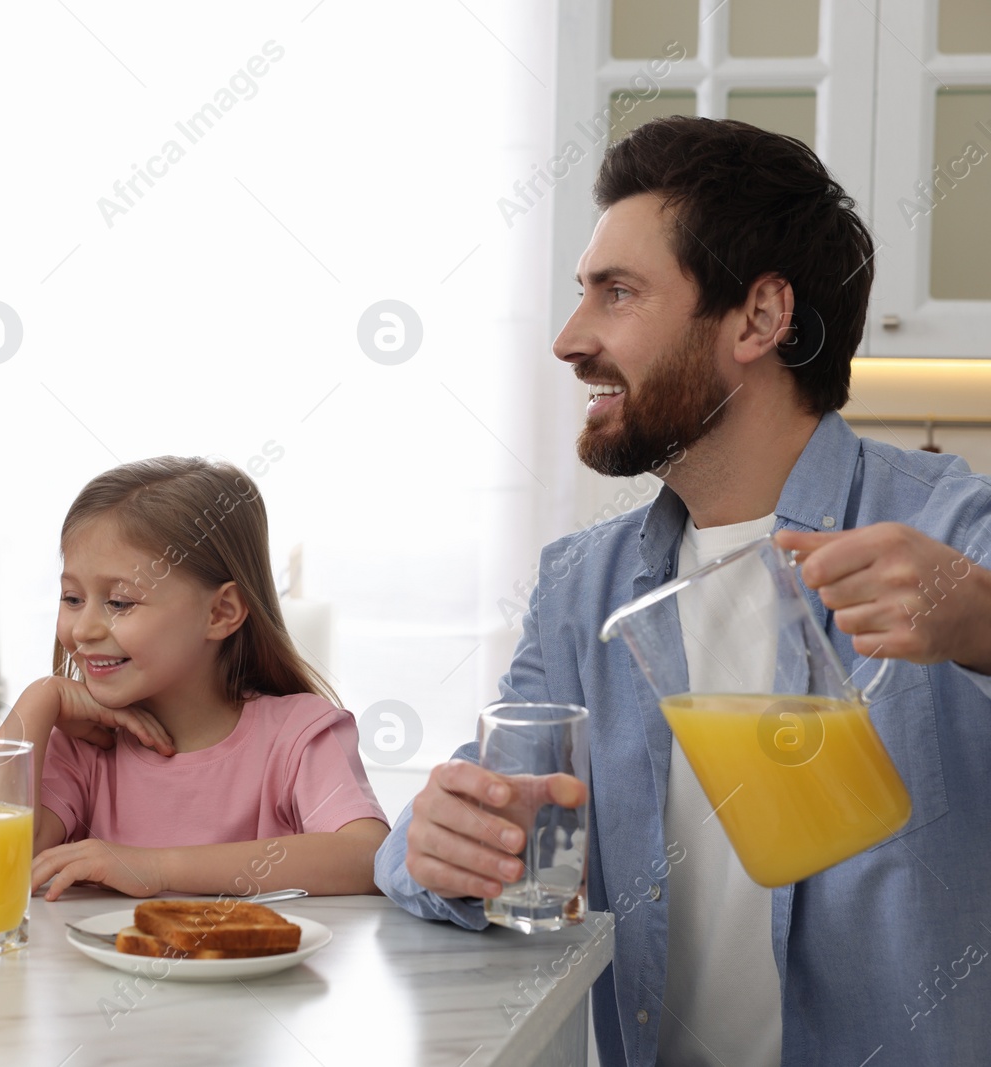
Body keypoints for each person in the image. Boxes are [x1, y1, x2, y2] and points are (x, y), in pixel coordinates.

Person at [376, 116, 991, 1066]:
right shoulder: (579, 586)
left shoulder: (951, 531)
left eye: (617, 294)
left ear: (758, 318)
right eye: (583, 294)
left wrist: (983, 620)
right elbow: (478, 815)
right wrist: (437, 848)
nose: (569, 340)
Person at [0, 457, 388, 900]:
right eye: (72, 597)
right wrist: (39, 698)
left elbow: (365, 855)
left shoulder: (299, 736)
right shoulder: (84, 744)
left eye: (120, 602)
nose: (83, 629)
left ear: (220, 612)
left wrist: (158, 868)